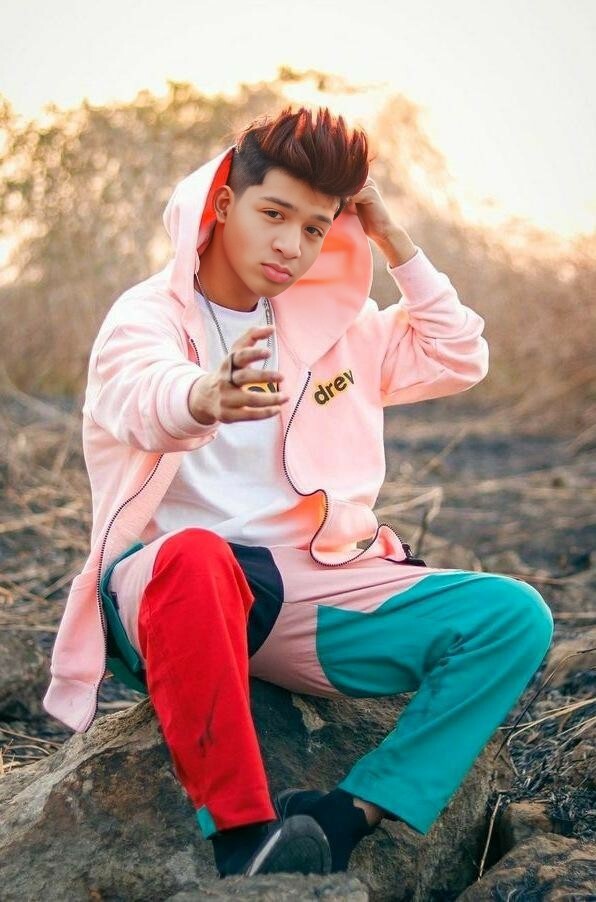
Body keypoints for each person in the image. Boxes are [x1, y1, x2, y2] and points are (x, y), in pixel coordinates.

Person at [43, 106, 554, 879]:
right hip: (176, 596)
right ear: (223, 204)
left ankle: (346, 815)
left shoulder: (330, 329)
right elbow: (142, 396)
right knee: (195, 556)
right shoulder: (146, 318)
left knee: (513, 616)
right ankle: (244, 839)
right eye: (274, 215)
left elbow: (457, 353)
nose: (291, 244)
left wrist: (392, 238)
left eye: (315, 228)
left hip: (310, 596)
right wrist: (206, 395)